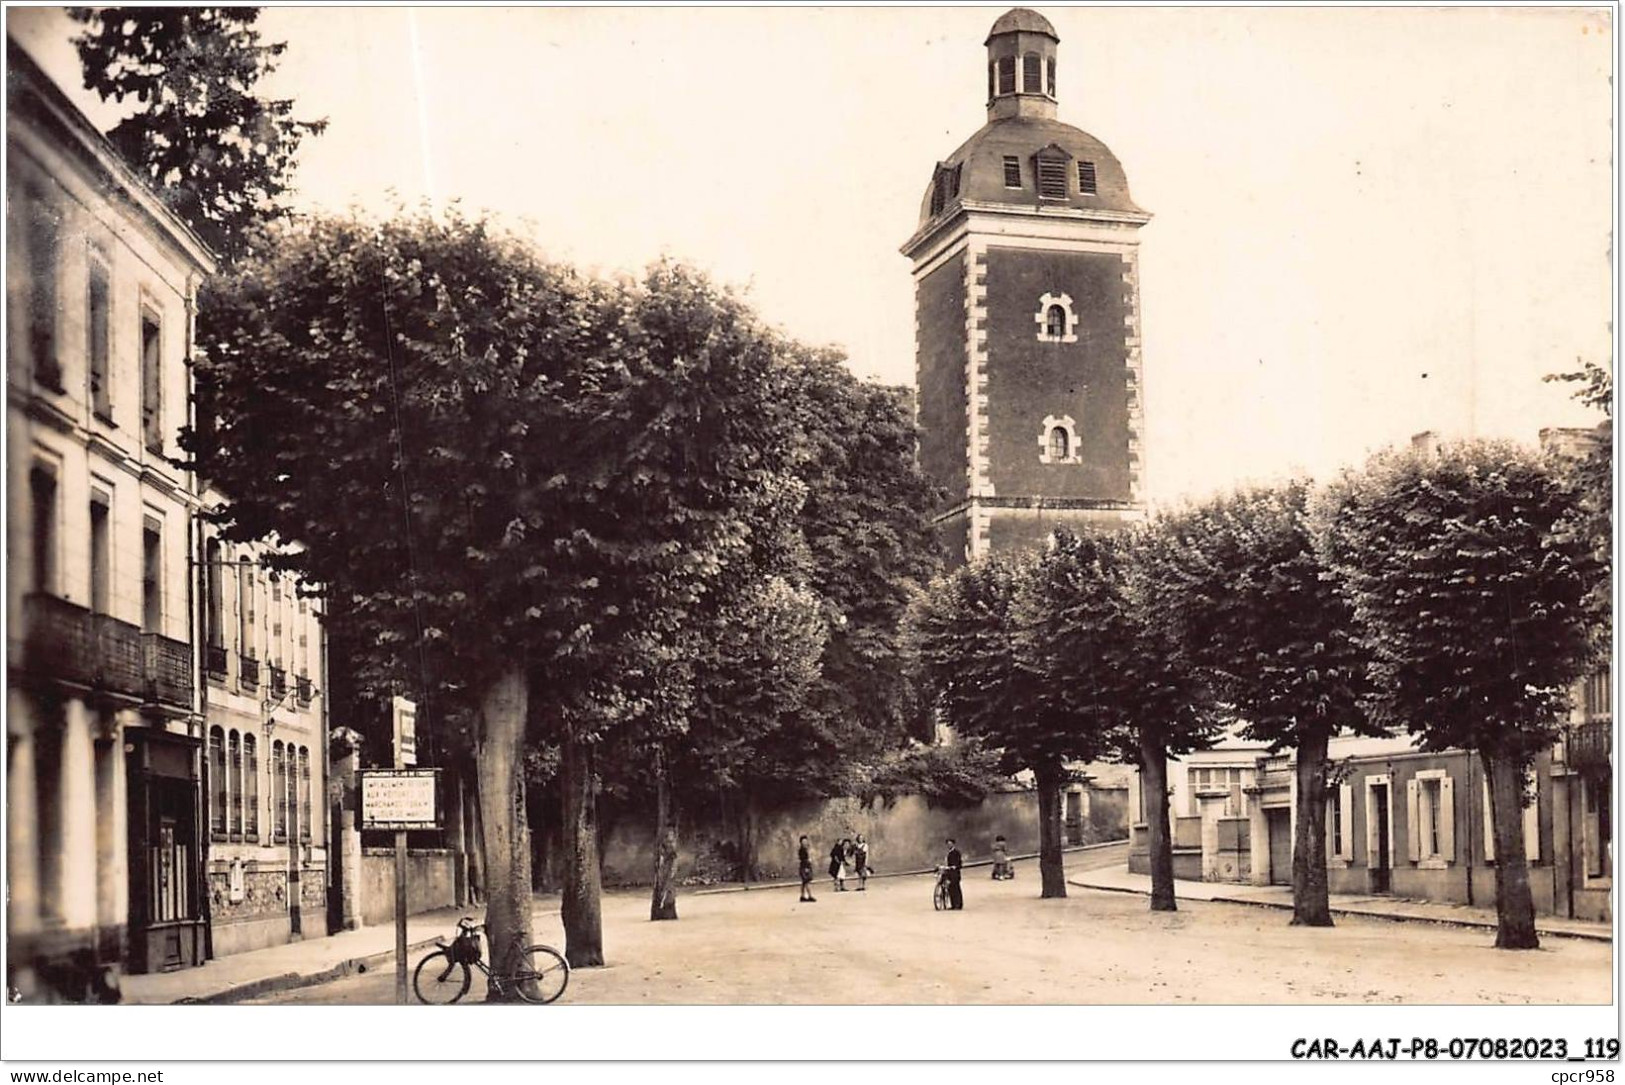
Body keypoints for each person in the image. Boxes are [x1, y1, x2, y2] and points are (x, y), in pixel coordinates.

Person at [944, 837, 964, 910]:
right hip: (950, 872)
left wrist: (955, 866)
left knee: (956, 888)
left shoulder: (956, 852)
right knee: (950, 888)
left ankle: (958, 904)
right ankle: (953, 904)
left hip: (955, 873)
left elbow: (959, 863)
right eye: (948, 844)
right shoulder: (948, 853)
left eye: (950, 844)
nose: (949, 845)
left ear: (953, 844)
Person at [798, 835, 817, 902]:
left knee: (804, 882)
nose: (805, 842)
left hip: (806, 866)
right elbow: (803, 859)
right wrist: (806, 867)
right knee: (807, 882)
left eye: (806, 841)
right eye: (803, 841)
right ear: (801, 842)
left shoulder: (805, 849)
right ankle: (810, 896)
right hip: (804, 866)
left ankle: (802, 896)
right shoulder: (802, 850)